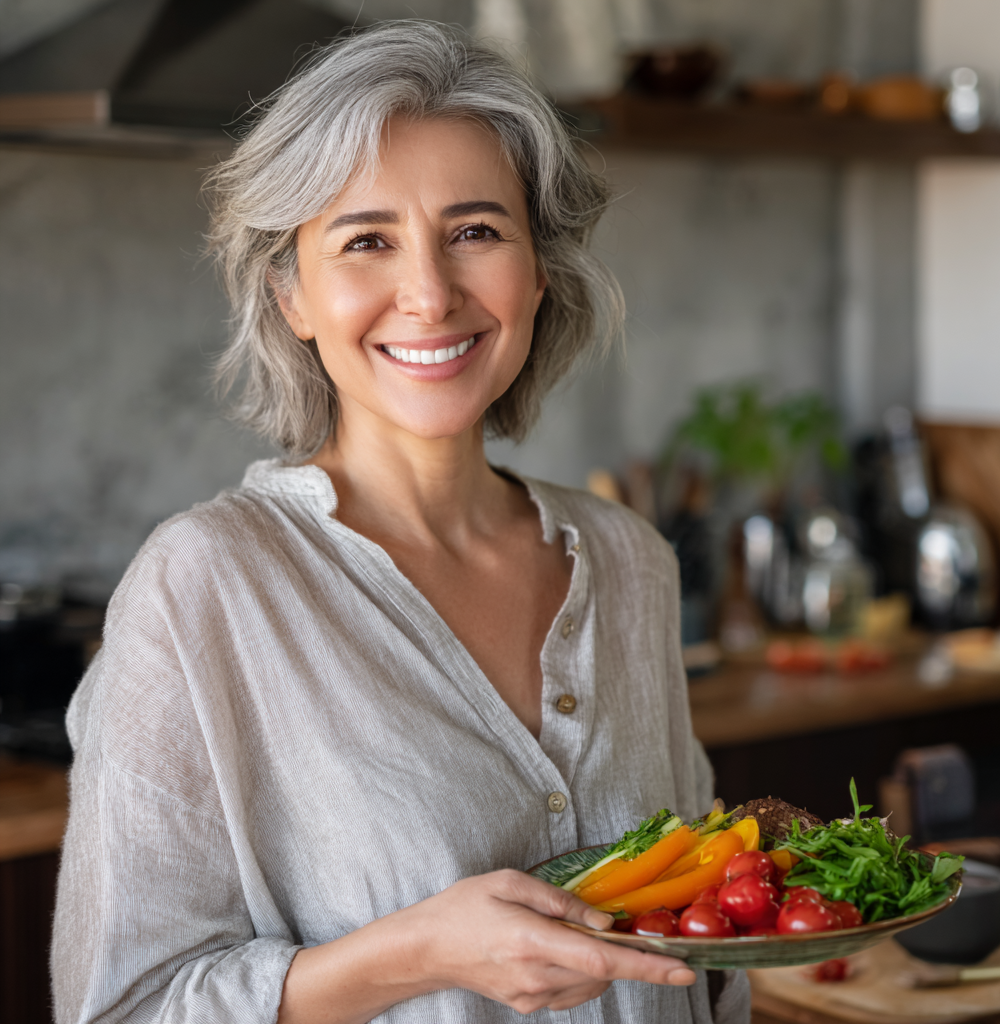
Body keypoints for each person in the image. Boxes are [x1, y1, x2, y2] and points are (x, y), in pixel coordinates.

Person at [51, 21, 749, 1024]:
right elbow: (124, 1007)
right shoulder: (205, 585)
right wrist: (416, 955)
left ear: (538, 270)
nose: (428, 294)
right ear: (292, 294)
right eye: (366, 241)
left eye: (476, 231)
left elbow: (702, 940)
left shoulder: (627, 559)